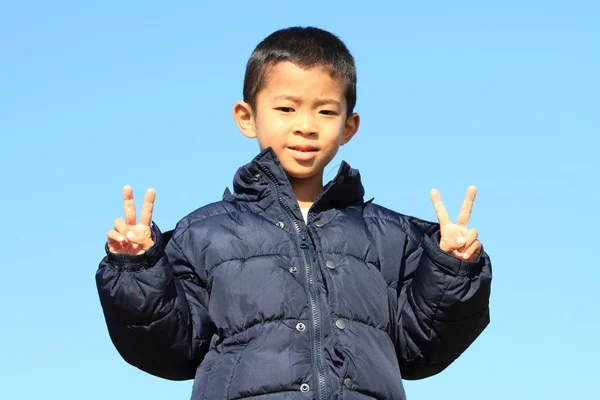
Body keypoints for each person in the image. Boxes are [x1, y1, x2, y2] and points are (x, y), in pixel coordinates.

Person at [96, 26, 492, 400]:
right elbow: (171, 349)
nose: (305, 126)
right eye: (286, 108)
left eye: (325, 111)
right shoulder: (205, 234)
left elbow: (421, 349)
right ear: (246, 117)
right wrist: (136, 270)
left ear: (349, 126)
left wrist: (453, 270)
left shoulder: (390, 236)